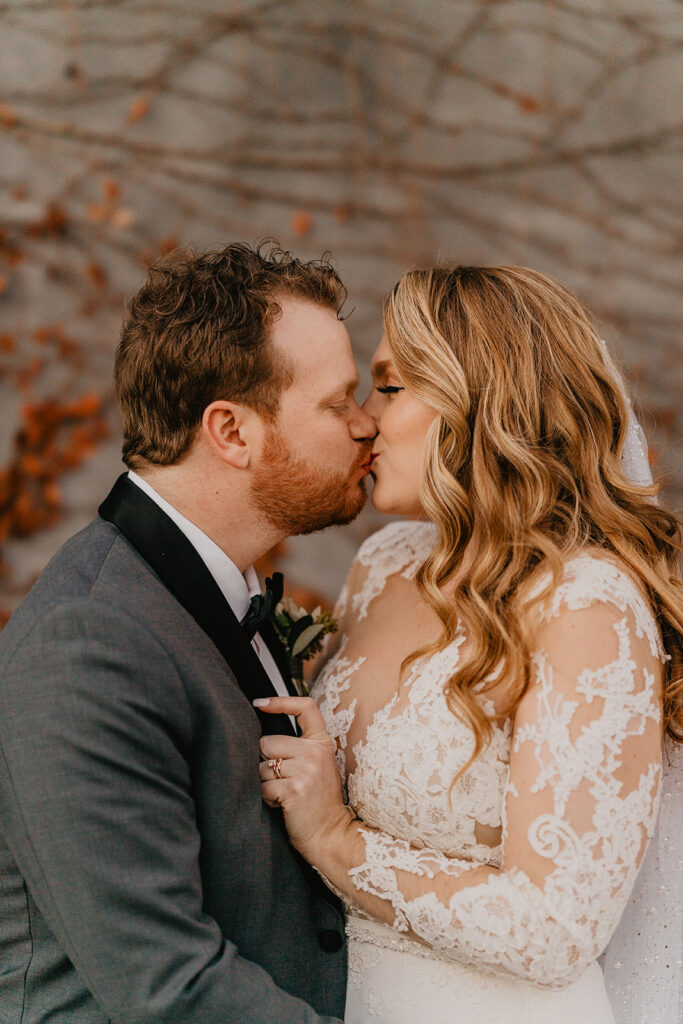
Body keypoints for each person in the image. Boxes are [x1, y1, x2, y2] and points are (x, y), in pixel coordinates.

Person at [255, 265, 683, 1024]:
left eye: (388, 388)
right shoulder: (382, 565)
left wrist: (335, 839)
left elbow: (556, 927)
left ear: (478, 400)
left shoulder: (585, 603)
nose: (363, 420)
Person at [0, 243, 378, 1023]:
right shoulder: (89, 640)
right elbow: (168, 987)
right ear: (231, 432)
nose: (366, 424)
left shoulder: (214, 591)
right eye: (338, 403)